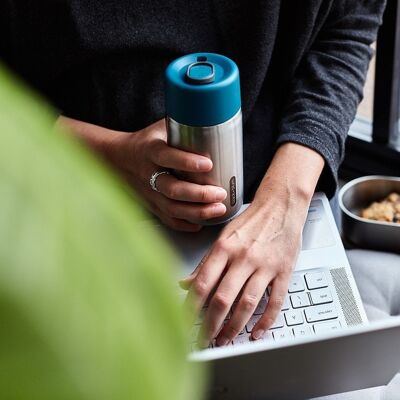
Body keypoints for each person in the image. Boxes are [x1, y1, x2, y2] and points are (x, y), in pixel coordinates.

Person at [0, 0, 386, 347]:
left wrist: (286, 200)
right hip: (53, 214)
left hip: (270, 206)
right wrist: (105, 153)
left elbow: (347, 27)